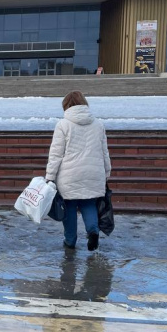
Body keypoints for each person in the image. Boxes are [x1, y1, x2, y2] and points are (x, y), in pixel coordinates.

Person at [45, 91, 112, 251]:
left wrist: (50, 176)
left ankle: (70, 241)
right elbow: (104, 152)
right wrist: (106, 173)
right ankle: (93, 232)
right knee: (88, 204)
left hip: (69, 176)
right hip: (93, 174)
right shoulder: (98, 124)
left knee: (68, 207)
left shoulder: (63, 125)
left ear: (66, 106)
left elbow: (56, 154)